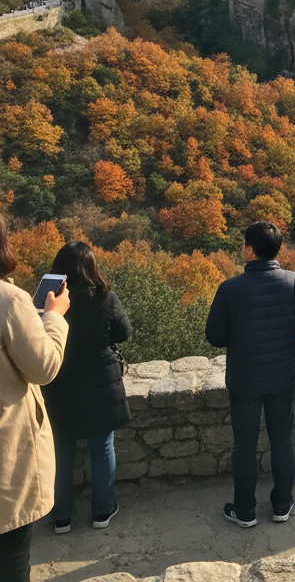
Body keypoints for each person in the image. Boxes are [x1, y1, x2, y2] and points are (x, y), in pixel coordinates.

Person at [205, 221, 295, 527]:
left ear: (250, 249)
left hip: (244, 379)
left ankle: (245, 511)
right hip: (282, 376)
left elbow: (214, 336)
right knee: (282, 440)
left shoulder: (230, 288)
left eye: (244, 244)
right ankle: (281, 505)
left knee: (244, 444)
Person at [42, 241, 132, 532]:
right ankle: (103, 512)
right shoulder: (105, 297)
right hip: (99, 385)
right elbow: (124, 332)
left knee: (61, 450)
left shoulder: (46, 302)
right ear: (92, 267)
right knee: (102, 447)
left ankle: (61, 517)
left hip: (58, 384)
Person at [0, 214, 70, 582]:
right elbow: (43, 368)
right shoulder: (9, 300)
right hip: (4, 458)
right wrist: (53, 316)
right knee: (11, 558)